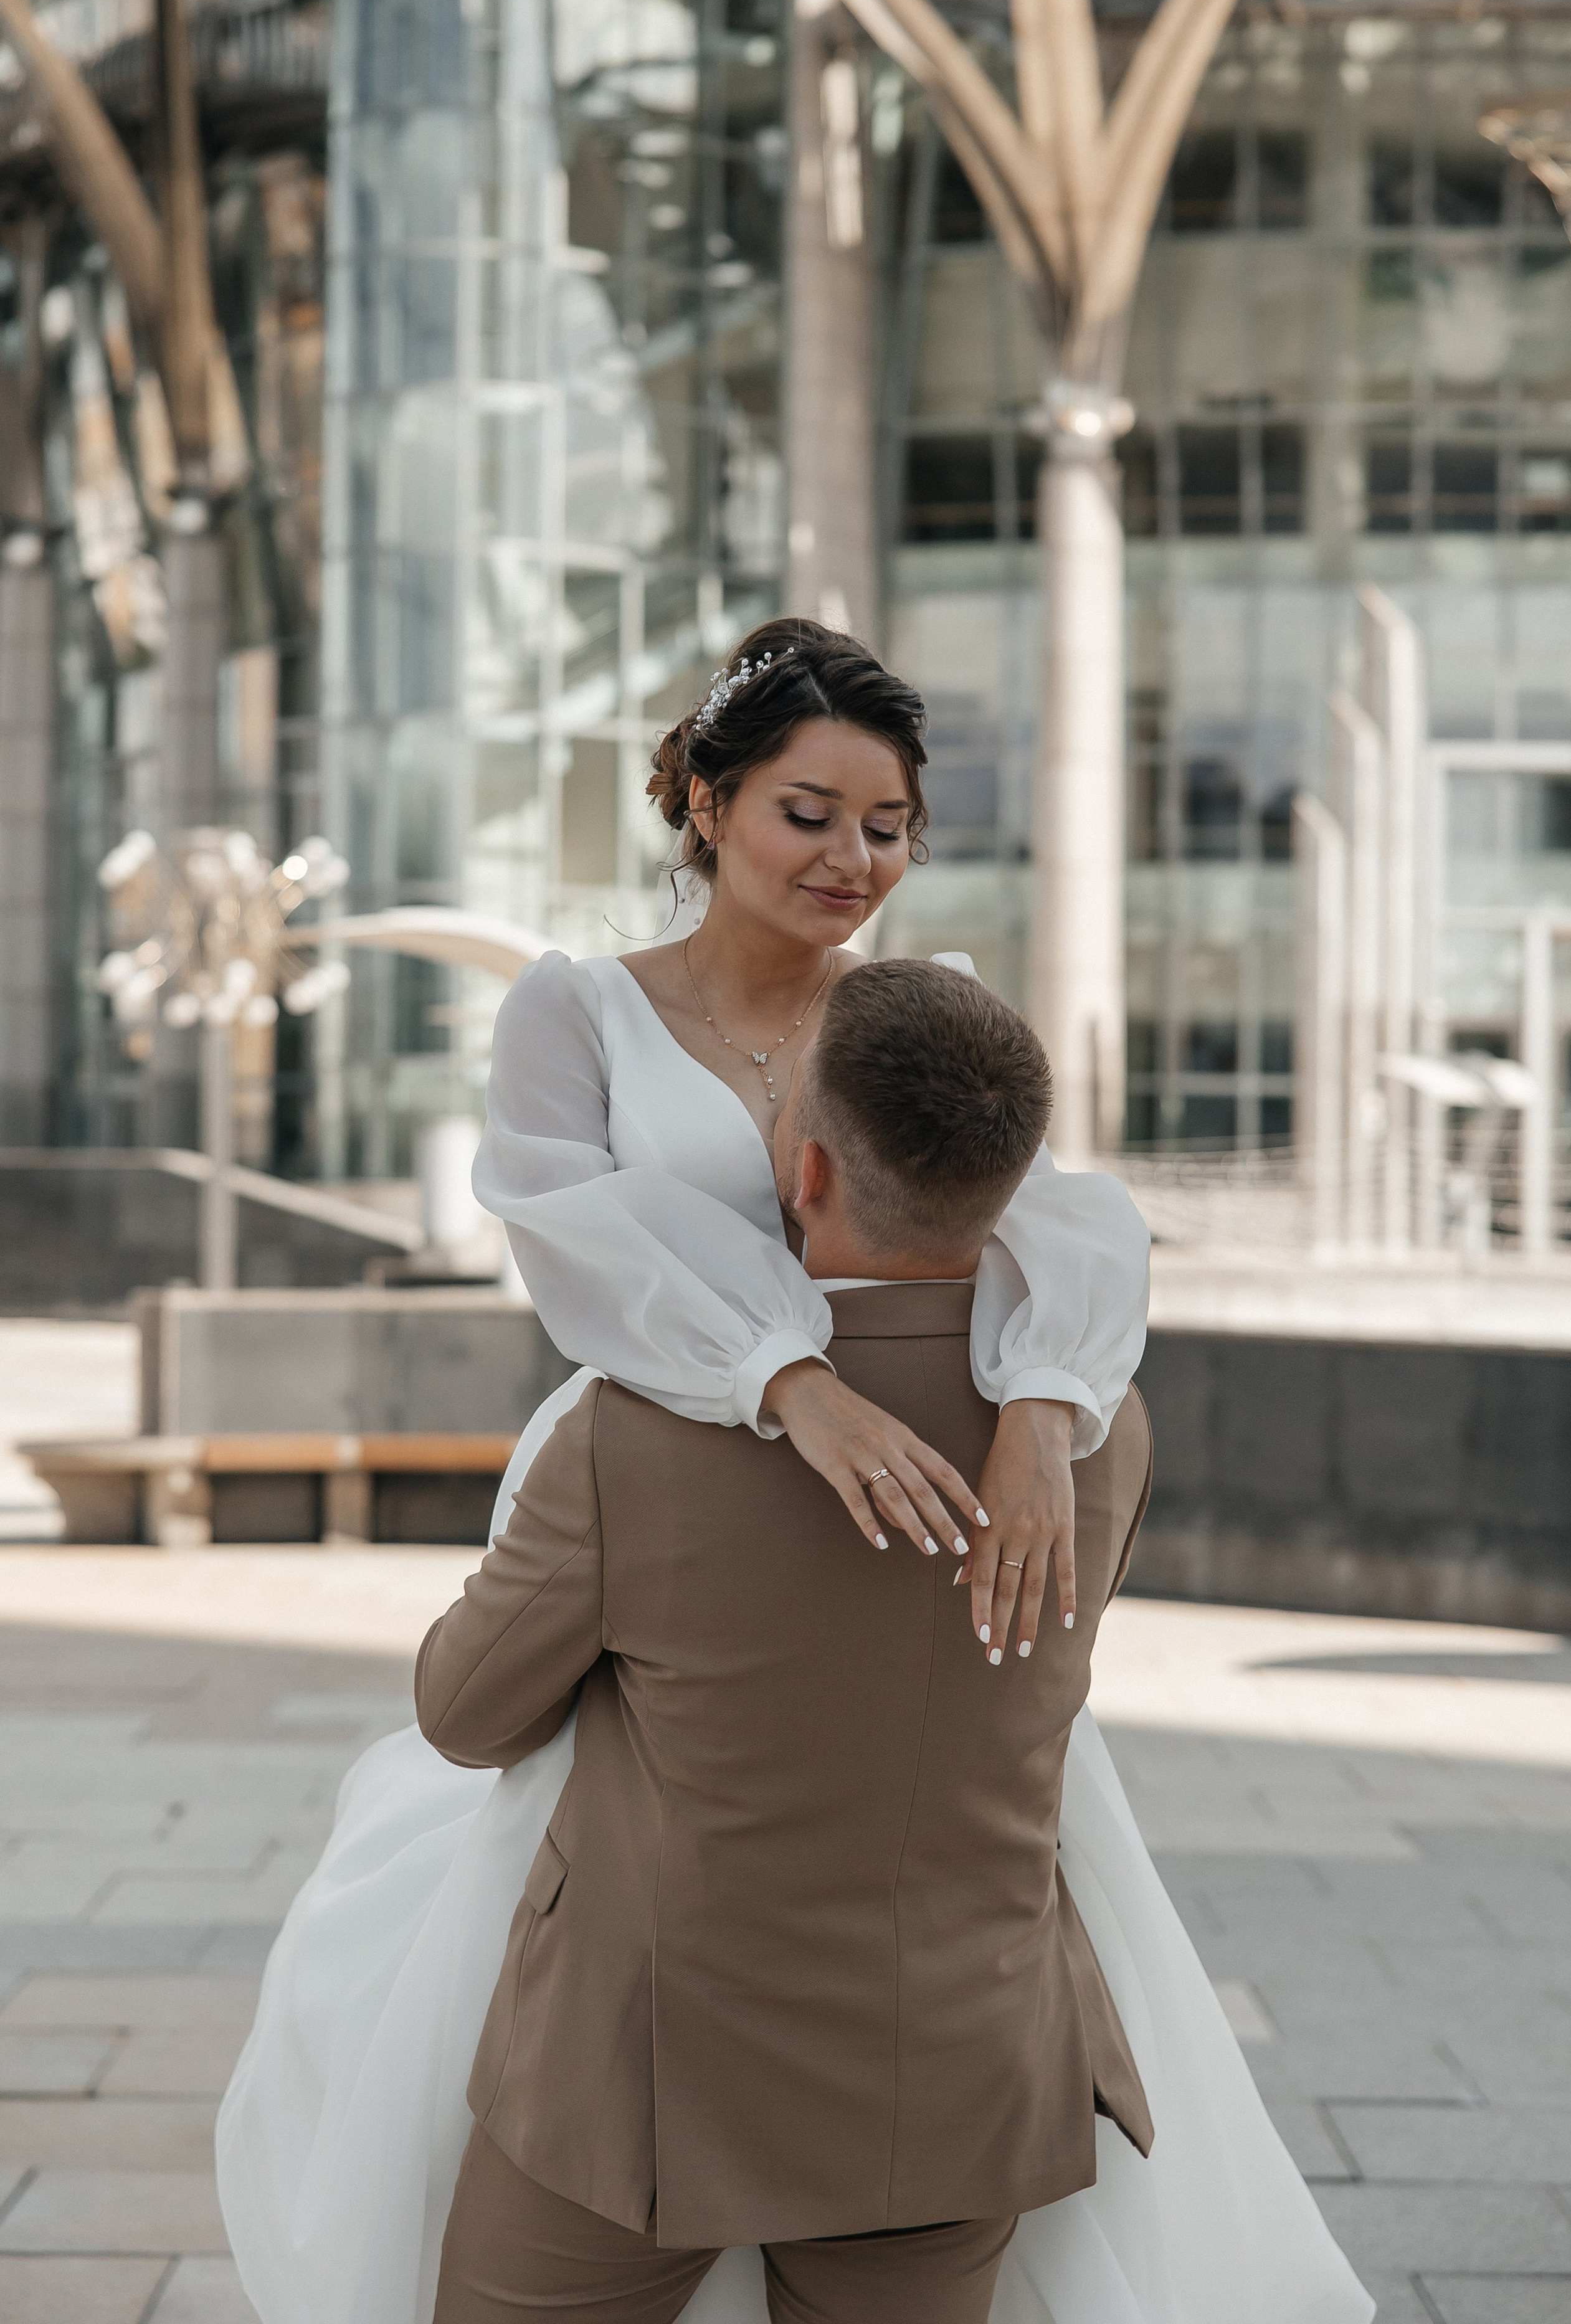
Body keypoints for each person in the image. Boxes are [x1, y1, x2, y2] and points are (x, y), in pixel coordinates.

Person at [216, 620, 1372, 2324]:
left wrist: (1049, 1407)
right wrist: (785, 1386)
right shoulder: (580, 1011)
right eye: (810, 814)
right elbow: (574, 1245)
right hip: (670, 1476)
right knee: (599, 1892)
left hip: (931, 1491)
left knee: (923, 1869)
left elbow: (1059, 1224)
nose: (854, 859)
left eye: (887, 827)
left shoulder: (925, 1011)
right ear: (703, 799)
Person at [417, 962, 1154, 2324]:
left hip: (647, 2079)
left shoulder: (635, 1434)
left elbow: (463, 1715)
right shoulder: (1092, 1438)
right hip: (961, 2063)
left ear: (802, 1170)